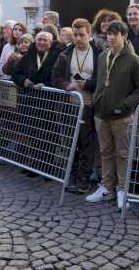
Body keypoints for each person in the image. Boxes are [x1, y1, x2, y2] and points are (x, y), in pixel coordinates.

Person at [85, 20, 139, 209]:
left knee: (122, 153)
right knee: (105, 152)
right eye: (109, 34)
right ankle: (107, 187)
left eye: (115, 34)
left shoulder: (133, 60)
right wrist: (97, 100)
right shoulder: (103, 55)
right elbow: (100, 82)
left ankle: (122, 189)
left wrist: (125, 105)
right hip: (102, 114)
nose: (111, 37)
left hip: (122, 116)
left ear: (125, 36)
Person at [52, 18, 102, 191]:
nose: (78, 38)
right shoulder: (65, 53)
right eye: (75, 35)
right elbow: (55, 77)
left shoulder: (99, 54)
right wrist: (66, 85)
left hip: (89, 104)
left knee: (87, 143)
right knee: (70, 142)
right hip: (70, 104)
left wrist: (88, 84)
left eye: (82, 35)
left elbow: (103, 80)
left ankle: (83, 179)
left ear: (89, 34)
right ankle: (71, 176)